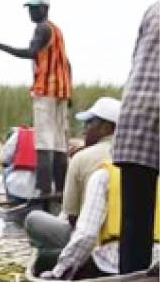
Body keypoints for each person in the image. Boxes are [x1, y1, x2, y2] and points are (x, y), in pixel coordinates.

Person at [0, 0, 72, 198]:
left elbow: (31, 53)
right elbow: (67, 63)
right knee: (59, 143)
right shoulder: (57, 31)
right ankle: (61, 191)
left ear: (45, 9)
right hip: (61, 92)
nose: (31, 12)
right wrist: (69, 91)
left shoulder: (42, 28)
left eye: (35, 8)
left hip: (45, 91)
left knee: (44, 142)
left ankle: (43, 192)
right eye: (30, 9)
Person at [25, 97, 121, 251]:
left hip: (94, 243)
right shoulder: (140, 157)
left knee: (33, 219)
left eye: (89, 123)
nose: (84, 130)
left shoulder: (82, 158)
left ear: (106, 128)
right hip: (131, 240)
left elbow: (73, 218)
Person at [36, 161, 158, 280]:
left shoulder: (103, 176)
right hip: (155, 265)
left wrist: (60, 271)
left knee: (44, 258)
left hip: (113, 264)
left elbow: (87, 234)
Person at [113, 1, 160, 274]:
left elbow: (136, 61)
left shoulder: (154, 9)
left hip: (134, 115)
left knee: (134, 222)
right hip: (144, 115)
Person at [0, 126, 37, 202]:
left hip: (16, 188)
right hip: (43, 193)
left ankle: (10, 201)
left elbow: (2, 158)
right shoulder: (50, 136)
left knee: (5, 169)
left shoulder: (19, 134)